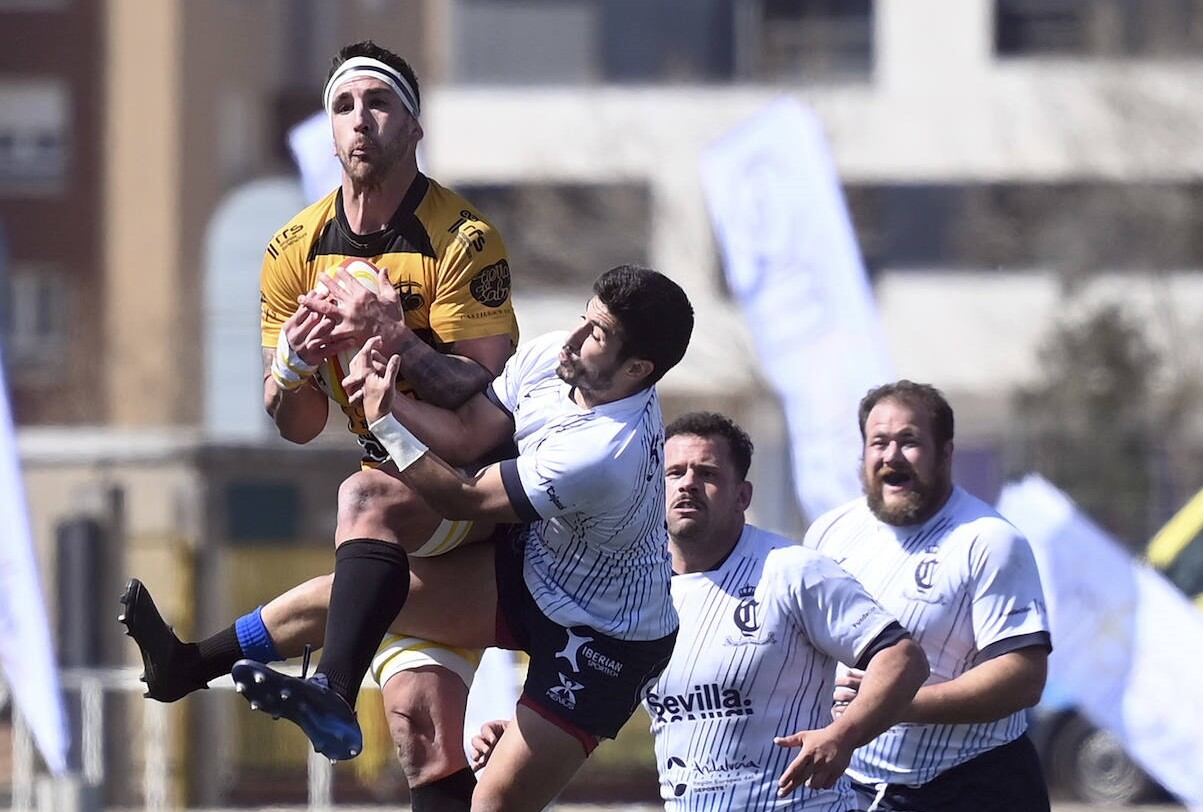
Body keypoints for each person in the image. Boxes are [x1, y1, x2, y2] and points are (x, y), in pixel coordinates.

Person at [118, 39, 520, 811]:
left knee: (364, 504)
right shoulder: (292, 249)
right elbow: (296, 424)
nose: (360, 120)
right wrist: (297, 365)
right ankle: (193, 668)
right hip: (406, 495)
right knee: (420, 734)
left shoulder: (463, 238)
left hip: (478, 486)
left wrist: (389, 336)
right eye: (343, 105)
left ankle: (324, 682)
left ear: (413, 126)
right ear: (330, 130)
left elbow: (483, 397)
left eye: (379, 104)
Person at [471, 411, 931, 810]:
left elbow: (903, 658)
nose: (688, 484)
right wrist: (526, 737)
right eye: (673, 473)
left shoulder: (793, 571)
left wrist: (843, 736)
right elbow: (604, 691)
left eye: (707, 473)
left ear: (742, 496)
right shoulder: (632, 592)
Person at [803, 381, 1052, 812]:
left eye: (910, 441)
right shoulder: (830, 533)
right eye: (878, 442)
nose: (891, 456)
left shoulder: (989, 541)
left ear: (946, 453)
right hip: (859, 787)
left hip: (975, 785)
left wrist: (899, 704)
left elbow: (1023, 677)